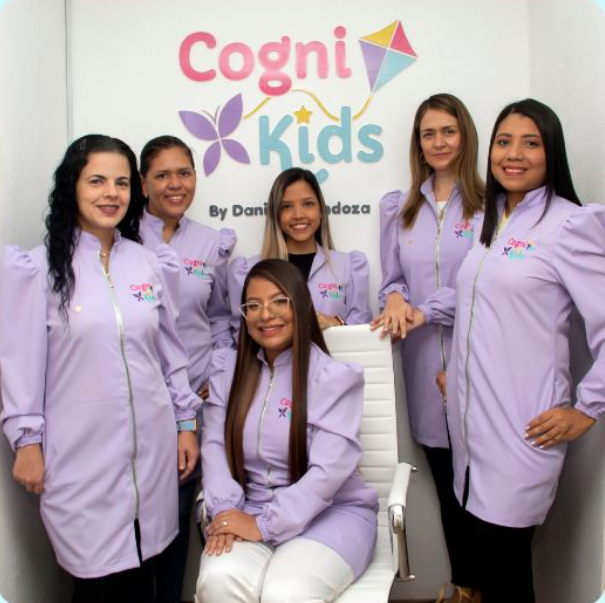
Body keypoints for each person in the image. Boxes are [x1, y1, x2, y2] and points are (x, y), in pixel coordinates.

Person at [0, 135, 200, 603]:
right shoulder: (38, 270)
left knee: (148, 574)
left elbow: (171, 354)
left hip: (152, 455)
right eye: (97, 181)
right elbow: (19, 365)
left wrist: (186, 423)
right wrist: (26, 442)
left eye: (121, 183)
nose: (111, 193)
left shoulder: (150, 263)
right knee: (98, 584)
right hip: (80, 458)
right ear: (72, 186)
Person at [446, 99, 605, 603]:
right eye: (504, 142)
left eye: (530, 143)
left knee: (507, 576)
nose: (513, 154)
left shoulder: (570, 225)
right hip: (472, 433)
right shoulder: (492, 219)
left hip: (522, 434)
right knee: (492, 572)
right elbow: (481, 304)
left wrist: (588, 408)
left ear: (551, 152)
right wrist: (457, 368)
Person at [196, 259, 378, 603]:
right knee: (218, 581)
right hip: (249, 508)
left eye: (279, 301)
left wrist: (265, 525)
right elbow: (215, 447)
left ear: (301, 306)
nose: (266, 314)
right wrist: (225, 512)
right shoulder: (227, 373)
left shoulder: (334, 379)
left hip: (331, 515)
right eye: (253, 305)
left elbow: (327, 473)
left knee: (287, 592)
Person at [371, 93, 484, 603]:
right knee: (446, 491)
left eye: (448, 131)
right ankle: (464, 588)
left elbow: (484, 287)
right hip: (420, 371)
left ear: (465, 136)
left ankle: (484, 586)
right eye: (428, 133)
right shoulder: (400, 209)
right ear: (417, 143)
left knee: (486, 492)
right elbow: (391, 282)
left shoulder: (492, 205)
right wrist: (396, 299)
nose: (438, 142)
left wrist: (426, 310)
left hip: (478, 366)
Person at [139, 135, 236, 603]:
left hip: (192, 403)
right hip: (139, 399)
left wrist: (214, 377)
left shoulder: (211, 243)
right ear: (143, 184)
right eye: (162, 175)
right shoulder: (123, 237)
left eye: (183, 173)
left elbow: (220, 319)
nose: (175, 184)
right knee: (135, 516)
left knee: (179, 513)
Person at [228, 167, 371, 339]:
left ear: (320, 210)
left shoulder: (349, 266)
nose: (298, 215)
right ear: (276, 214)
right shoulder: (247, 271)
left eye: (308, 204)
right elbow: (241, 338)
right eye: (287, 206)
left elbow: (361, 337)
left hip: (334, 357)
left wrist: (336, 323)